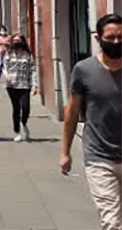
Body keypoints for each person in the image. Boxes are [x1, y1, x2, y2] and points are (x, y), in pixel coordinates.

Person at [60, 14, 121, 230]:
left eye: (120, 37)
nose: (116, 42)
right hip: (99, 156)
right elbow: (73, 111)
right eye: (110, 37)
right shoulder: (84, 70)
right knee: (112, 222)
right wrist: (65, 152)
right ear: (98, 38)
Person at [2, 33, 38, 142]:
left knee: (26, 107)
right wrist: (6, 75)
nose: (16, 42)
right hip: (11, 85)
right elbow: (4, 67)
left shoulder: (27, 55)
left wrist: (34, 85)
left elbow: (33, 70)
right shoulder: (8, 53)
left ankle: (24, 122)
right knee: (16, 108)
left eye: (18, 40)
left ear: (22, 42)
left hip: (25, 85)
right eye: (14, 40)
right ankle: (17, 132)